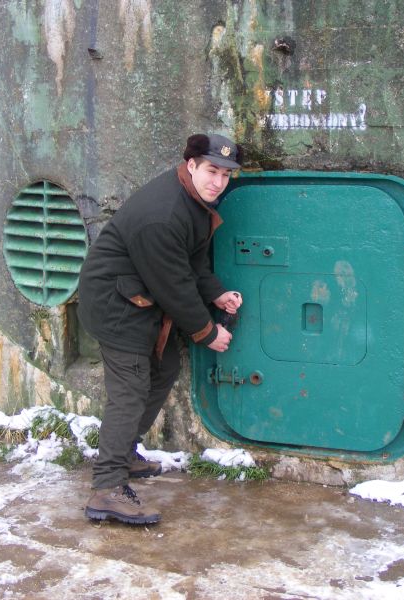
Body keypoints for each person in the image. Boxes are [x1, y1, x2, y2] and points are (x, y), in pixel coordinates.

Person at [77, 133, 244, 525]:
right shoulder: (165, 214)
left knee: (165, 367)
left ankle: (123, 454)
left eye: (225, 174)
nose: (218, 182)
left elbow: (190, 264)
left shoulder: (193, 200)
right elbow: (174, 284)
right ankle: (107, 487)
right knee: (130, 391)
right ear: (191, 165)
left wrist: (216, 293)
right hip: (116, 305)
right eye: (211, 171)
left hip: (141, 300)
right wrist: (208, 332)